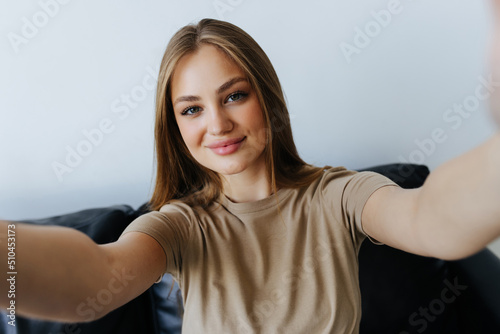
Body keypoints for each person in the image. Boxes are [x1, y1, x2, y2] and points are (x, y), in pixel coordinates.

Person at [1, 14, 500, 333]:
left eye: (234, 95)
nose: (217, 124)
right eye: (191, 110)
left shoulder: (338, 195)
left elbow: (431, 219)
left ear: (267, 98)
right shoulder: (179, 225)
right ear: (174, 128)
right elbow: (94, 281)